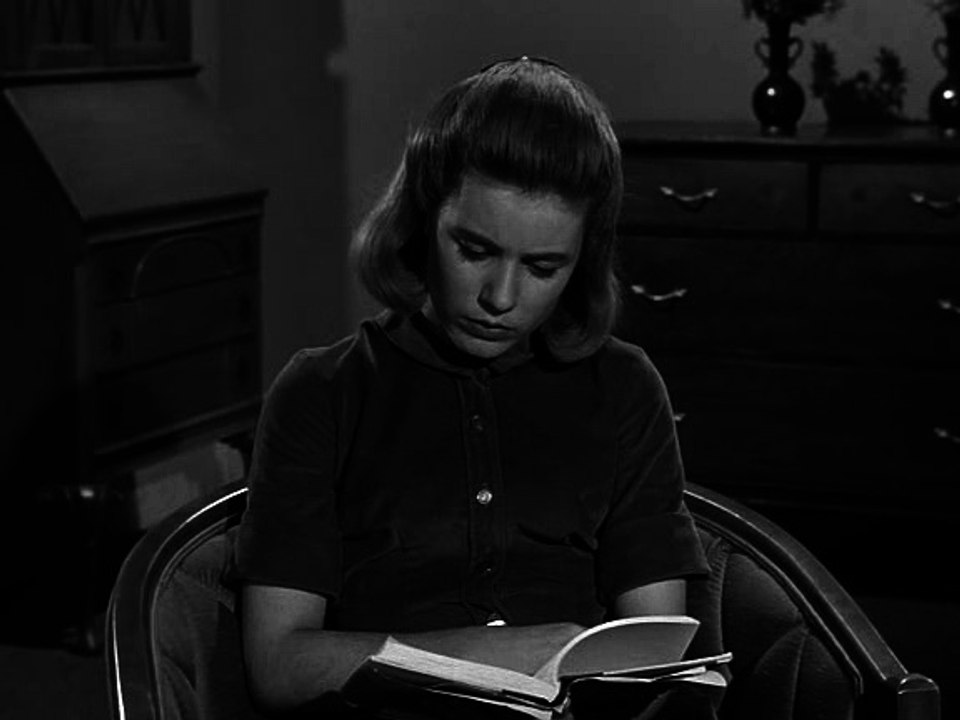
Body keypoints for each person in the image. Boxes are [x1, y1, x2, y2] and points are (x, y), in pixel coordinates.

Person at [234, 56, 713, 718]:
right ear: (422, 221)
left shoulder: (625, 388)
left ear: (582, 261)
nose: (501, 298)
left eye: (543, 267)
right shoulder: (322, 392)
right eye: (475, 250)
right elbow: (279, 665)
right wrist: (499, 654)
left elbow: (652, 656)